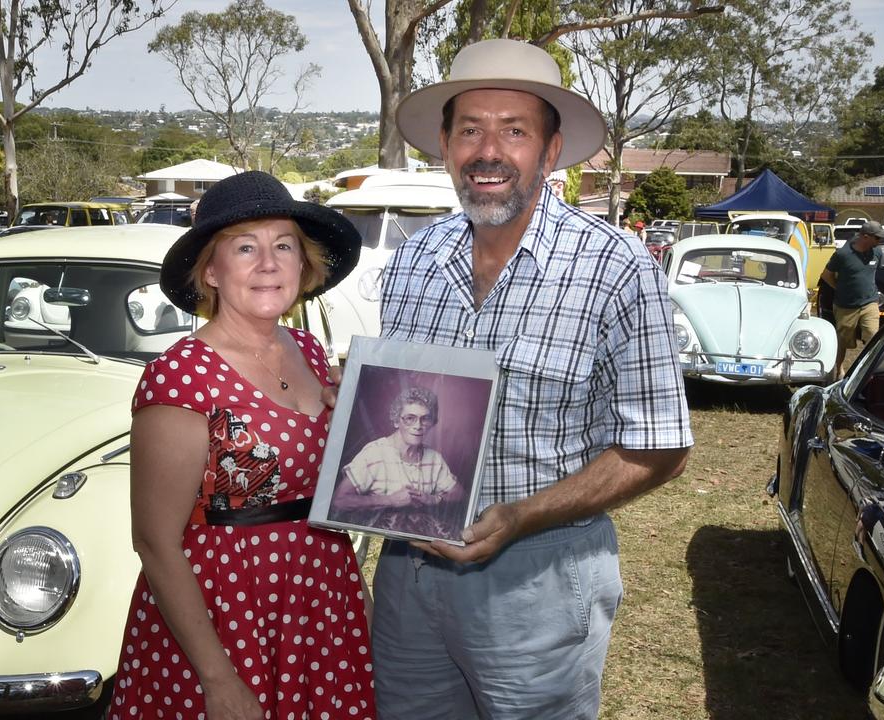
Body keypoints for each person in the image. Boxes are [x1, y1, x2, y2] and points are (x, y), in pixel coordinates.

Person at [349, 38, 693, 718]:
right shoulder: (416, 259)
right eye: (470, 129)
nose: (489, 151)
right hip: (409, 579)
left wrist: (521, 516)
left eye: (515, 131)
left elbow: (661, 447)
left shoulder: (616, 268)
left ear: (551, 149)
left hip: (539, 579)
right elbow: (401, 404)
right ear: (445, 145)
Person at [108, 170, 374, 720]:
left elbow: (317, 480)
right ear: (211, 269)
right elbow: (155, 540)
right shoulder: (179, 376)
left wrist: (355, 408)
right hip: (224, 614)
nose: (268, 263)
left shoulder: (309, 350)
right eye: (245, 247)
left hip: (321, 599)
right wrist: (218, 678)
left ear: (303, 265)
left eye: (284, 246)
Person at [329, 385, 463, 540]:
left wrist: (433, 499)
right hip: (378, 542)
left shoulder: (433, 458)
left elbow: (460, 495)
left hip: (419, 543)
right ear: (396, 421)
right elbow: (339, 501)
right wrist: (391, 500)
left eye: (425, 418)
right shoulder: (375, 453)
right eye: (409, 418)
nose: (418, 426)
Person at [822, 219, 884, 374]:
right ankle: (838, 371)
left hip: (869, 302)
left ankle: (870, 372)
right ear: (865, 236)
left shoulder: (877, 252)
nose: (880, 240)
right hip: (845, 305)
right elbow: (826, 275)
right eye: (877, 237)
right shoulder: (843, 254)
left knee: (873, 336)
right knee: (843, 342)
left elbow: (873, 272)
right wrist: (838, 287)